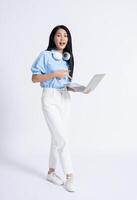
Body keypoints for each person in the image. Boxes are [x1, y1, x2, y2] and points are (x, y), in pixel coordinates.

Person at [31, 25, 76, 192]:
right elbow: (35, 78)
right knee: (62, 137)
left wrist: (73, 87)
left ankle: (51, 172)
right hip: (49, 97)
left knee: (57, 137)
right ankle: (70, 175)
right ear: (53, 38)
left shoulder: (67, 57)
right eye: (59, 35)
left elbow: (63, 81)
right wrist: (54, 74)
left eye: (65, 36)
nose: (62, 38)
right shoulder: (45, 55)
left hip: (65, 97)